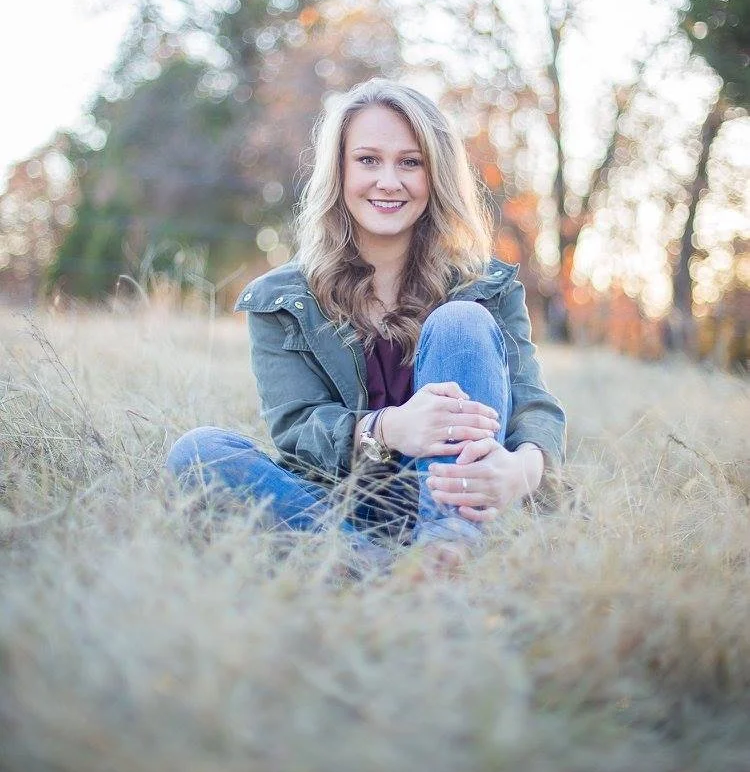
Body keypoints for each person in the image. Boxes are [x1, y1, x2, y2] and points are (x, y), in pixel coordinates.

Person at [165, 78, 566, 576]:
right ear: (340, 171)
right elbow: (296, 430)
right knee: (198, 454)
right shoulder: (282, 299)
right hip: (341, 508)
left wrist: (519, 472)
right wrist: (389, 428)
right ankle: (375, 567)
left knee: (460, 321)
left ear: (435, 175)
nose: (389, 181)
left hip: (460, 499)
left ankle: (446, 549)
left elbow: (534, 407)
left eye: (410, 162)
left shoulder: (486, 287)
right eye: (368, 160)